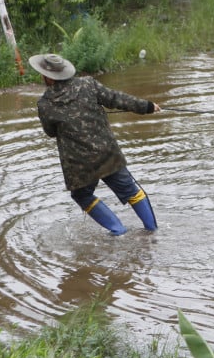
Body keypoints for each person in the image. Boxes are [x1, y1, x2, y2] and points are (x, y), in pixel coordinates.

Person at [29, 53, 160, 235]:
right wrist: (148, 106)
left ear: (48, 78)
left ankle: (118, 230)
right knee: (130, 190)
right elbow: (117, 99)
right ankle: (152, 232)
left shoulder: (45, 104)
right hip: (107, 154)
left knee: (82, 195)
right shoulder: (88, 84)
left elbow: (50, 132)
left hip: (79, 164)